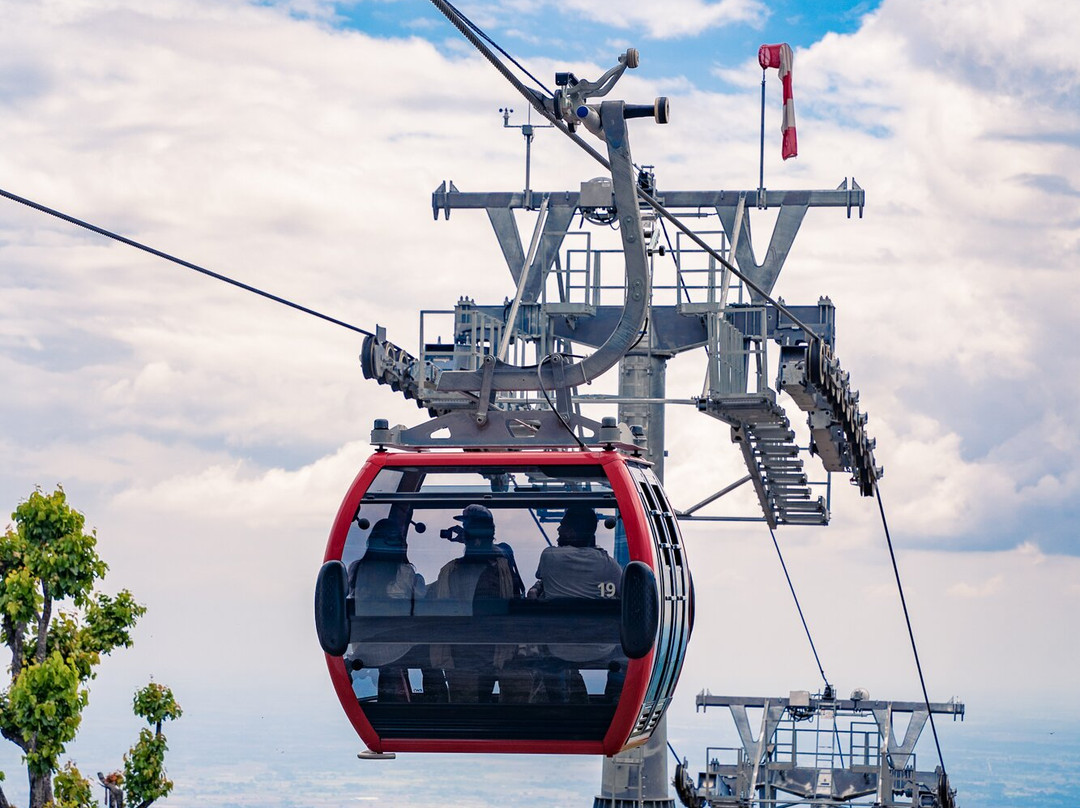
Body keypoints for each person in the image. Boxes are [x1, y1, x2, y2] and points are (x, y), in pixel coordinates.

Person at [429, 504, 528, 703]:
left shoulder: (491, 566)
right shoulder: (496, 565)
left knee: (467, 703)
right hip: (481, 649)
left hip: (474, 650)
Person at [527, 504, 624, 703]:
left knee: (545, 657)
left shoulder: (549, 556)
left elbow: (542, 579)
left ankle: (559, 700)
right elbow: (622, 592)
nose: (558, 530)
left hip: (558, 649)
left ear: (571, 532)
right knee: (625, 657)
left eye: (562, 525)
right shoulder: (608, 564)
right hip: (601, 649)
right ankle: (612, 701)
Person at [345, 518, 439, 702]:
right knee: (432, 657)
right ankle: (436, 701)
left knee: (391, 666)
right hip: (397, 645)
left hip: (364, 647)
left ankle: (389, 701)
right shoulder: (404, 571)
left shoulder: (357, 569)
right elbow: (418, 599)